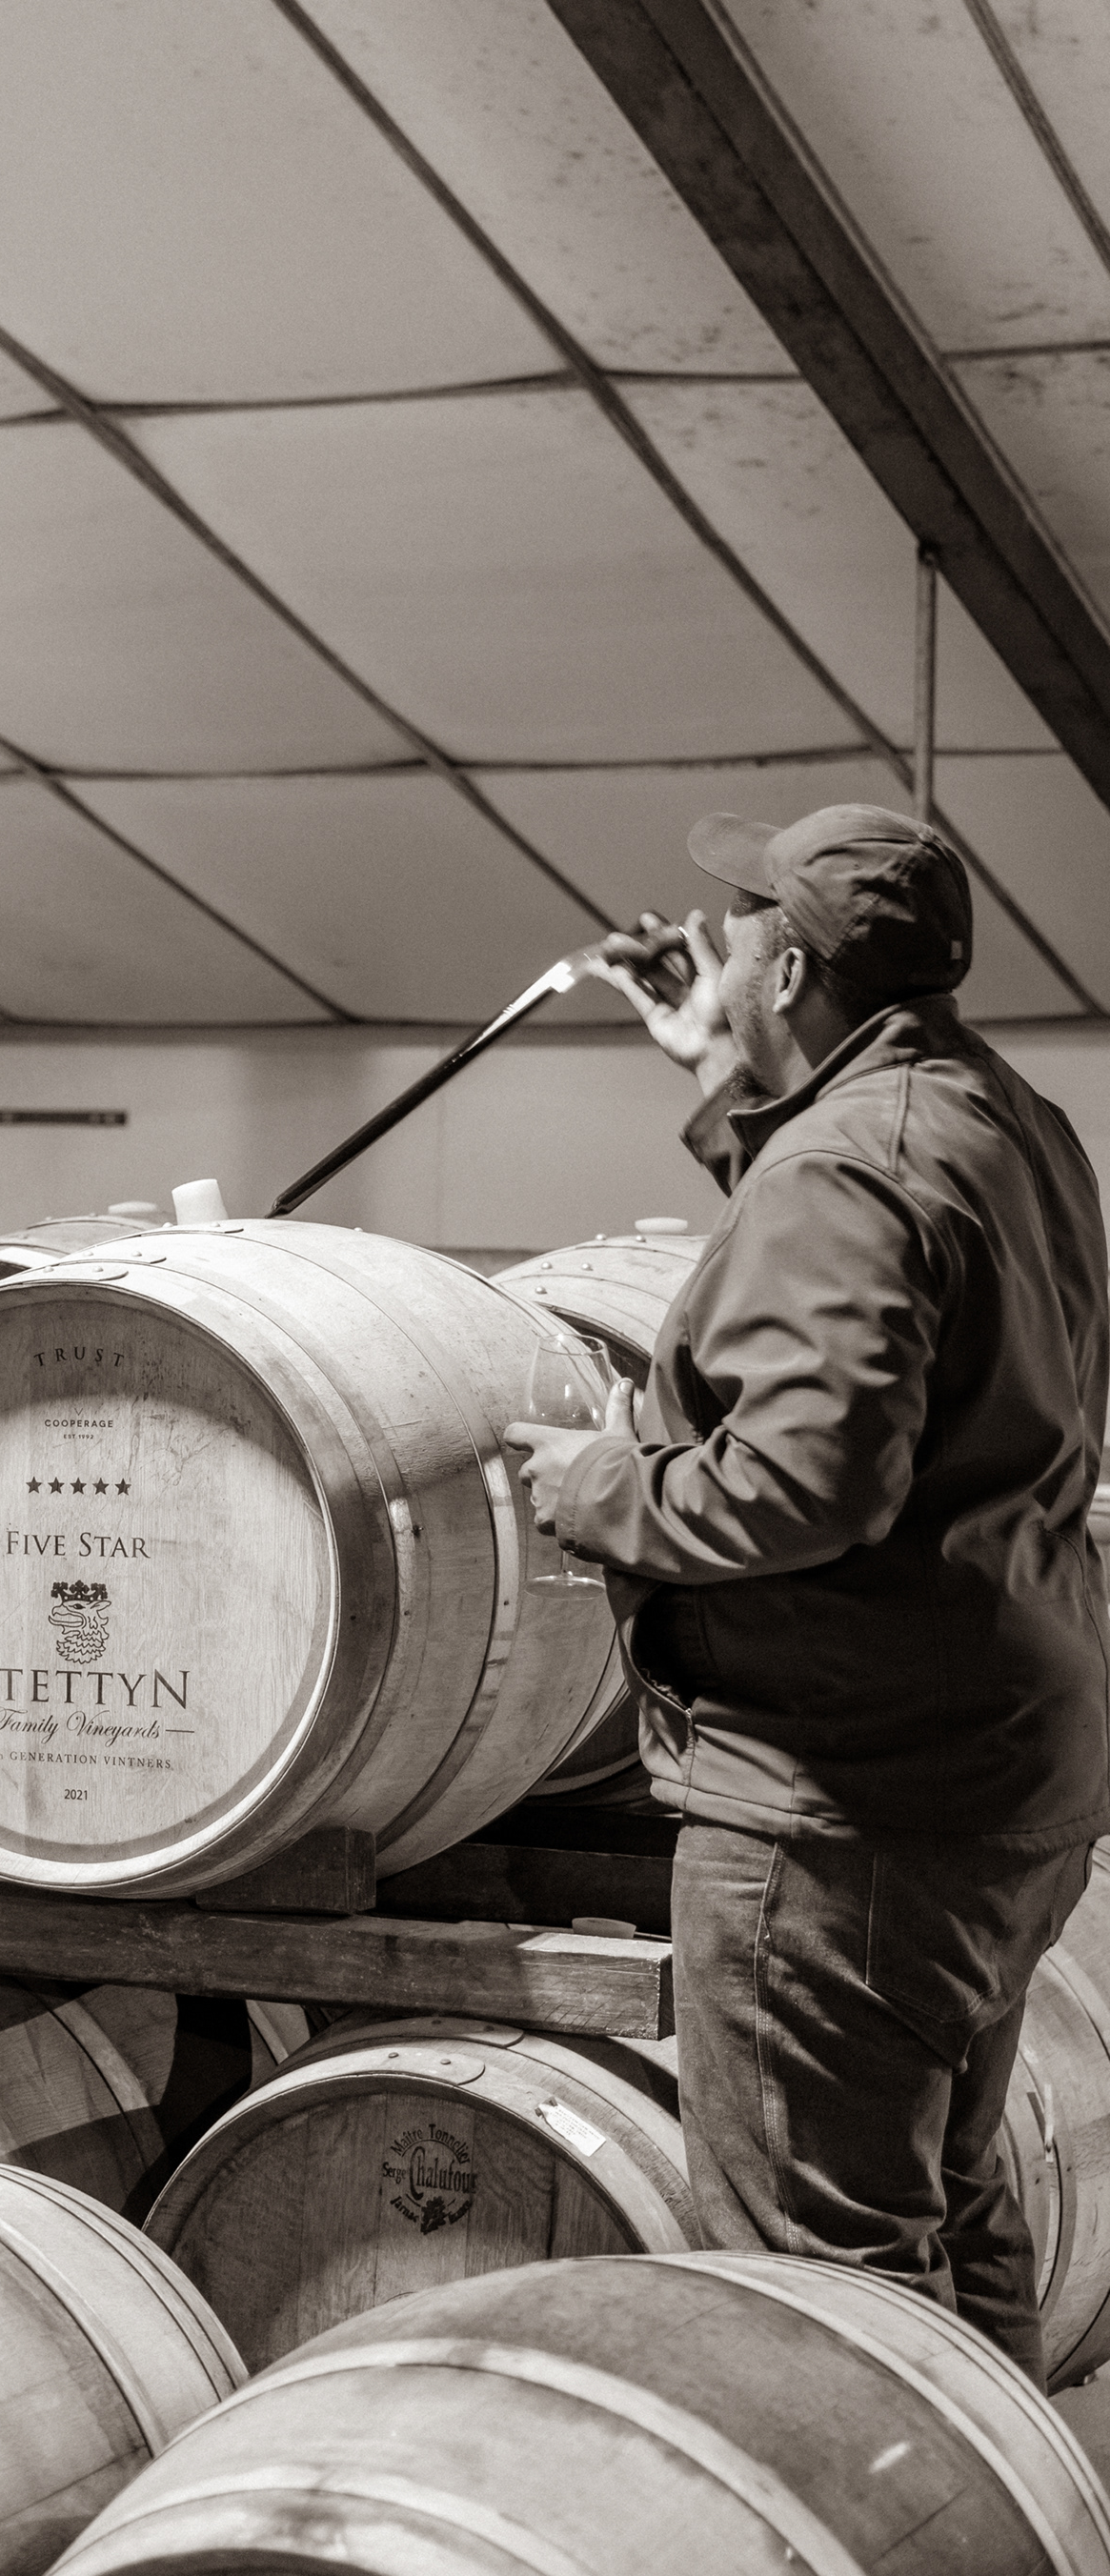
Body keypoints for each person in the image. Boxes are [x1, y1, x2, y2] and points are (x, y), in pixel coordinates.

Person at [505, 802, 1109, 2386]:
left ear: (789, 967)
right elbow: (870, 1259)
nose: (729, 945)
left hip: (847, 1809)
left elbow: (806, 1483)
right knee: (948, 2207)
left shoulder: (847, 1165)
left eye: (753, 928)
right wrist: (729, 1081)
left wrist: (596, 1491)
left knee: (812, 2289)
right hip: (998, 1765)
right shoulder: (1004, 1118)